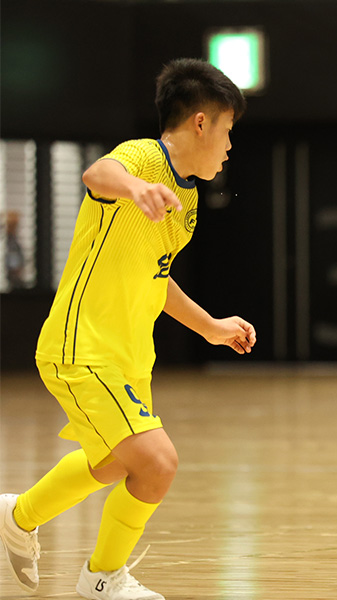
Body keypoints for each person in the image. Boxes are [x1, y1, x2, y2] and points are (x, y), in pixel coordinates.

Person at [0, 58, 256, 600]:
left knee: (115, 462)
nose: (231, 146)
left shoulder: (186, 198)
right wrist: (136, 188)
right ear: (201, 123)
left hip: (128, 357)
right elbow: (98, 175)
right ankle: (101, 580)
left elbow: (155, 278)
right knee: (158, 463)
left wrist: (209, 326)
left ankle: (18, 517)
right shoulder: (142, 158)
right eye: (228, 130)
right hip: (83, 348)